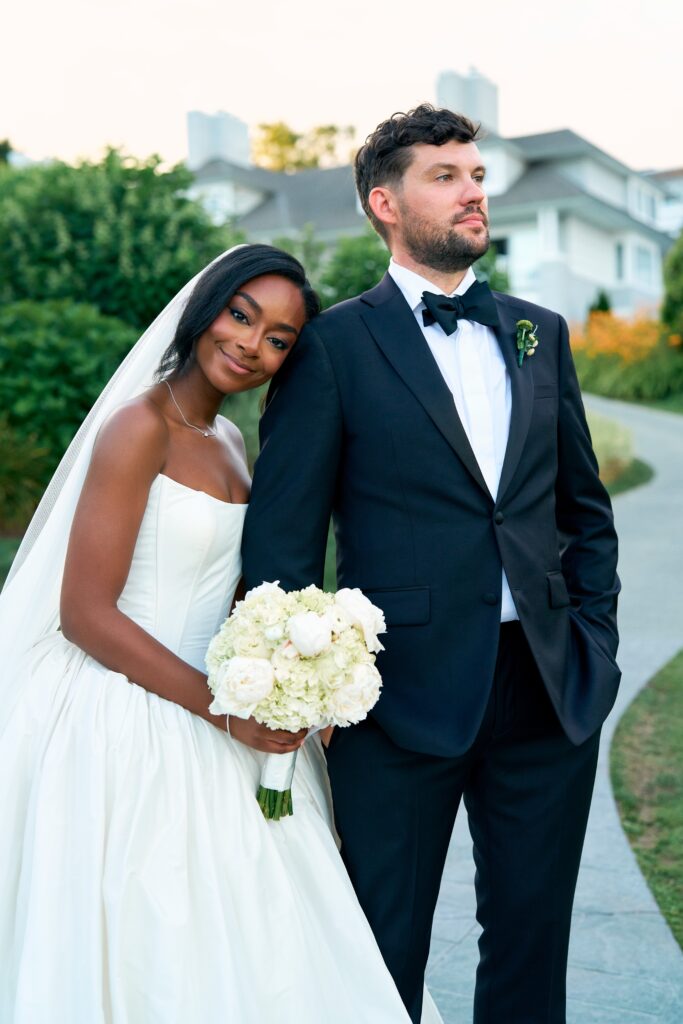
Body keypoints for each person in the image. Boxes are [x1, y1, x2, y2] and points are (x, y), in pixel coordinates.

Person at [243, 106, 621, 1023]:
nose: (472, 192)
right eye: (444, 176)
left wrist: (593, 641)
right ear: (384, 202)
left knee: (532, 947)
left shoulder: (539, 332)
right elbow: (285, 539)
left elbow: (583, 509)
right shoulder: (332, 346)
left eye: (476, 175)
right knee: (382, 945)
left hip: (545, 685)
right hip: (393, 697)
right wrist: (307, 689)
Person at [0, 244, 442, 1022]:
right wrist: (221, 709)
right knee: (159, 922)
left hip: (226, 697)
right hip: (127, 706)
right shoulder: (138, 429)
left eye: (277, 338)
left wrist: (304, 666)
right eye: (242, 316)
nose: (251, 344)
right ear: (206, 310)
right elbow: (85, 613)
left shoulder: (231, 441)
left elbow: (241, 593)